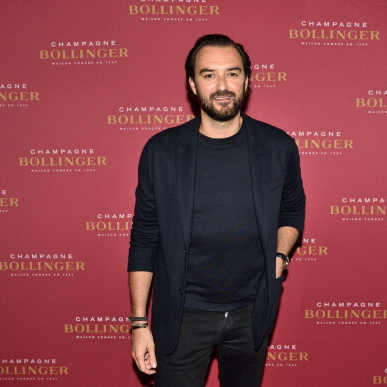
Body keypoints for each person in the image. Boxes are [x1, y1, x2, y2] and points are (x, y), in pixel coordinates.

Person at [127, 34, 306, 387]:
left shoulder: (277, 146)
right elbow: (145, 238)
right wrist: (138, 324)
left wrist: (280, 255)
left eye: (232, 74)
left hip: (252, 310)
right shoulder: (162, 152)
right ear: (192, 84)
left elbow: (292, 207)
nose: (222, 86)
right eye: (209, 75)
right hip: (182, 316)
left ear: (247, 80)